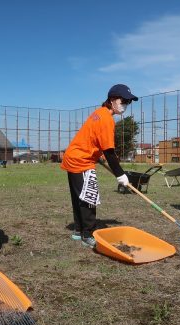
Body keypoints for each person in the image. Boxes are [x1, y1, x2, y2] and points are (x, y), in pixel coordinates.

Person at [60, 84, 138, 248]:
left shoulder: (98, 113)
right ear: (112, 100)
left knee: (79, 197)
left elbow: (96, 142)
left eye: (128, 102)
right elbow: (109, 152)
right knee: (89, 197)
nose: (125, 105)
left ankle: (78, 230)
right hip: (81, 161)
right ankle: (88, 234)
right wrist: (120, 174)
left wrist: (98, 155)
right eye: (123, 100)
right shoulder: (106, 119)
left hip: (74, 157)